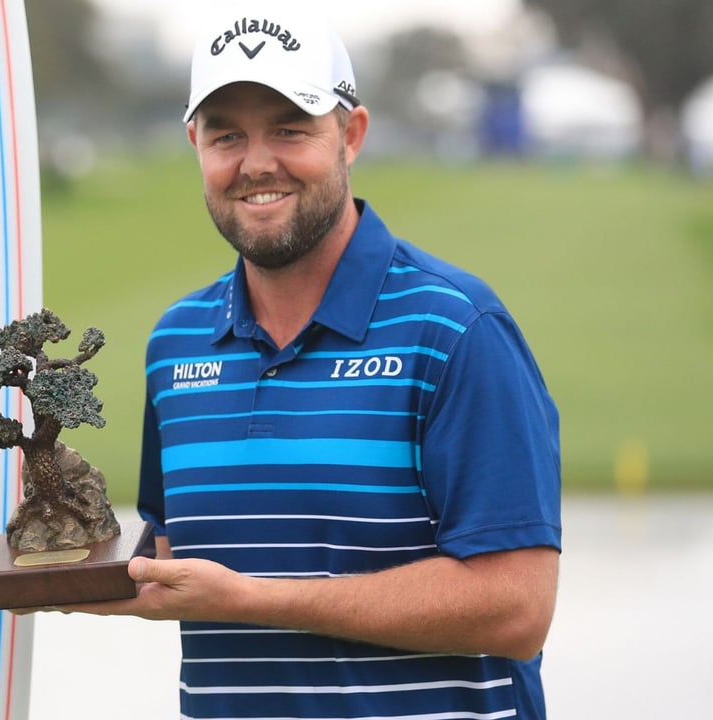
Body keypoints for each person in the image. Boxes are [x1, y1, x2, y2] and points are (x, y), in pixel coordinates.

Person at [64, 3, 563, 718]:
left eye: (290, 129)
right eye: (226, 134)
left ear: (350, 134)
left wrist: (251, 600)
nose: (256, 163)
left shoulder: (454, 329)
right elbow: (176, 562)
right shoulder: (176, 345)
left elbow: (516, 608)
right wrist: (52, 574)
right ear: (194, 144)